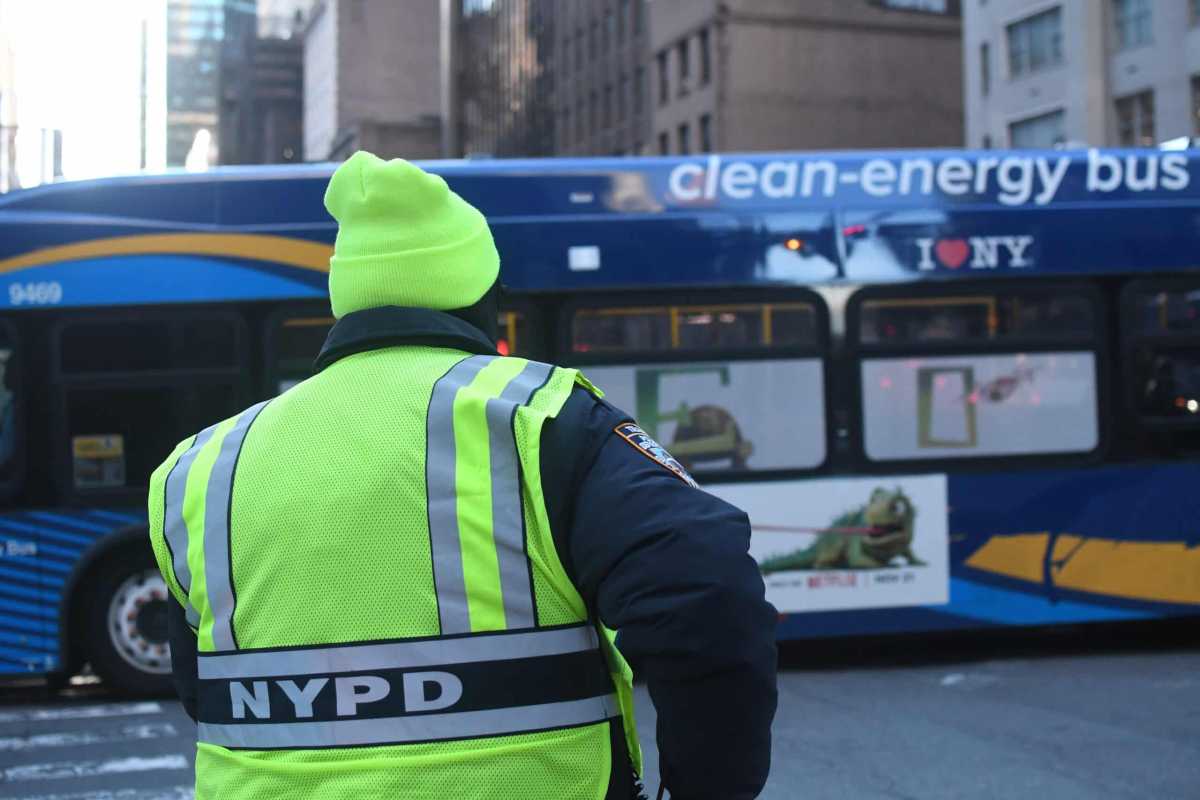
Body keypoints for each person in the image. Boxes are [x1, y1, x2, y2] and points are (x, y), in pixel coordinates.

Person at [148, 151, 777, 799]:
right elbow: (708, 600)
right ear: (482, 297)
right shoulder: (542, 419)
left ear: (347, 304)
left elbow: (206, 689)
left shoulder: (201, 467)